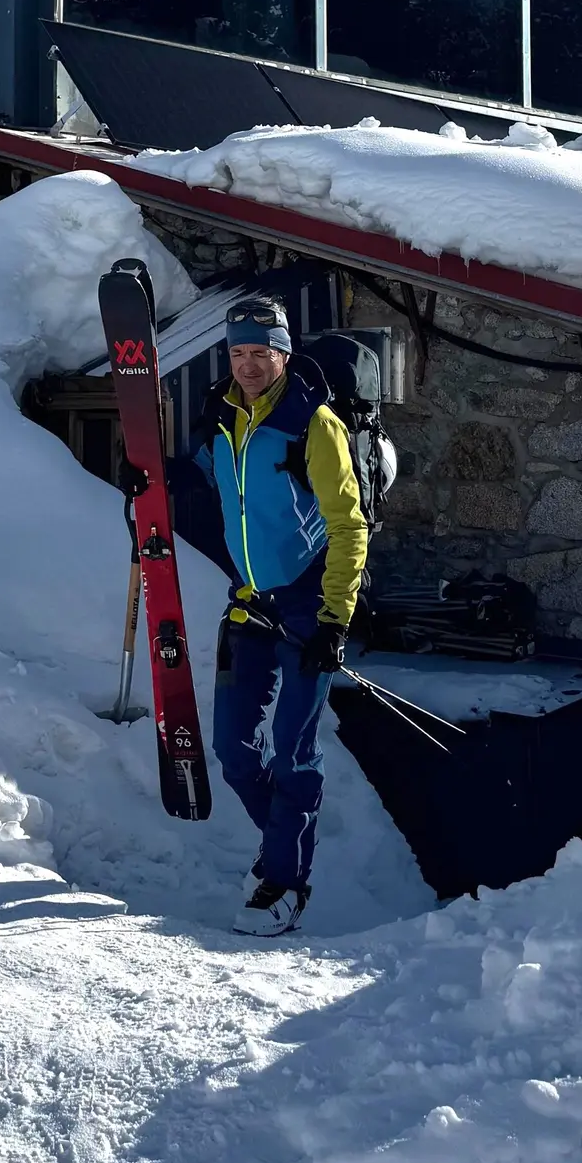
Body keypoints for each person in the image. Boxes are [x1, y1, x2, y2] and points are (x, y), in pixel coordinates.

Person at [198, 295, 368, 937]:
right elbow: (224, 497)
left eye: (259, 352)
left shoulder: (312, 424)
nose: (246, 364)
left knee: (294, 754)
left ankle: (285, 881)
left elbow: (348, 526)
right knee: (234, 752)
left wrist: (334, 620)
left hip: (307, 605)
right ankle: (280, 850)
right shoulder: (220, 418)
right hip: (249, 603)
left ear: (283, 352)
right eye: (237, 352)